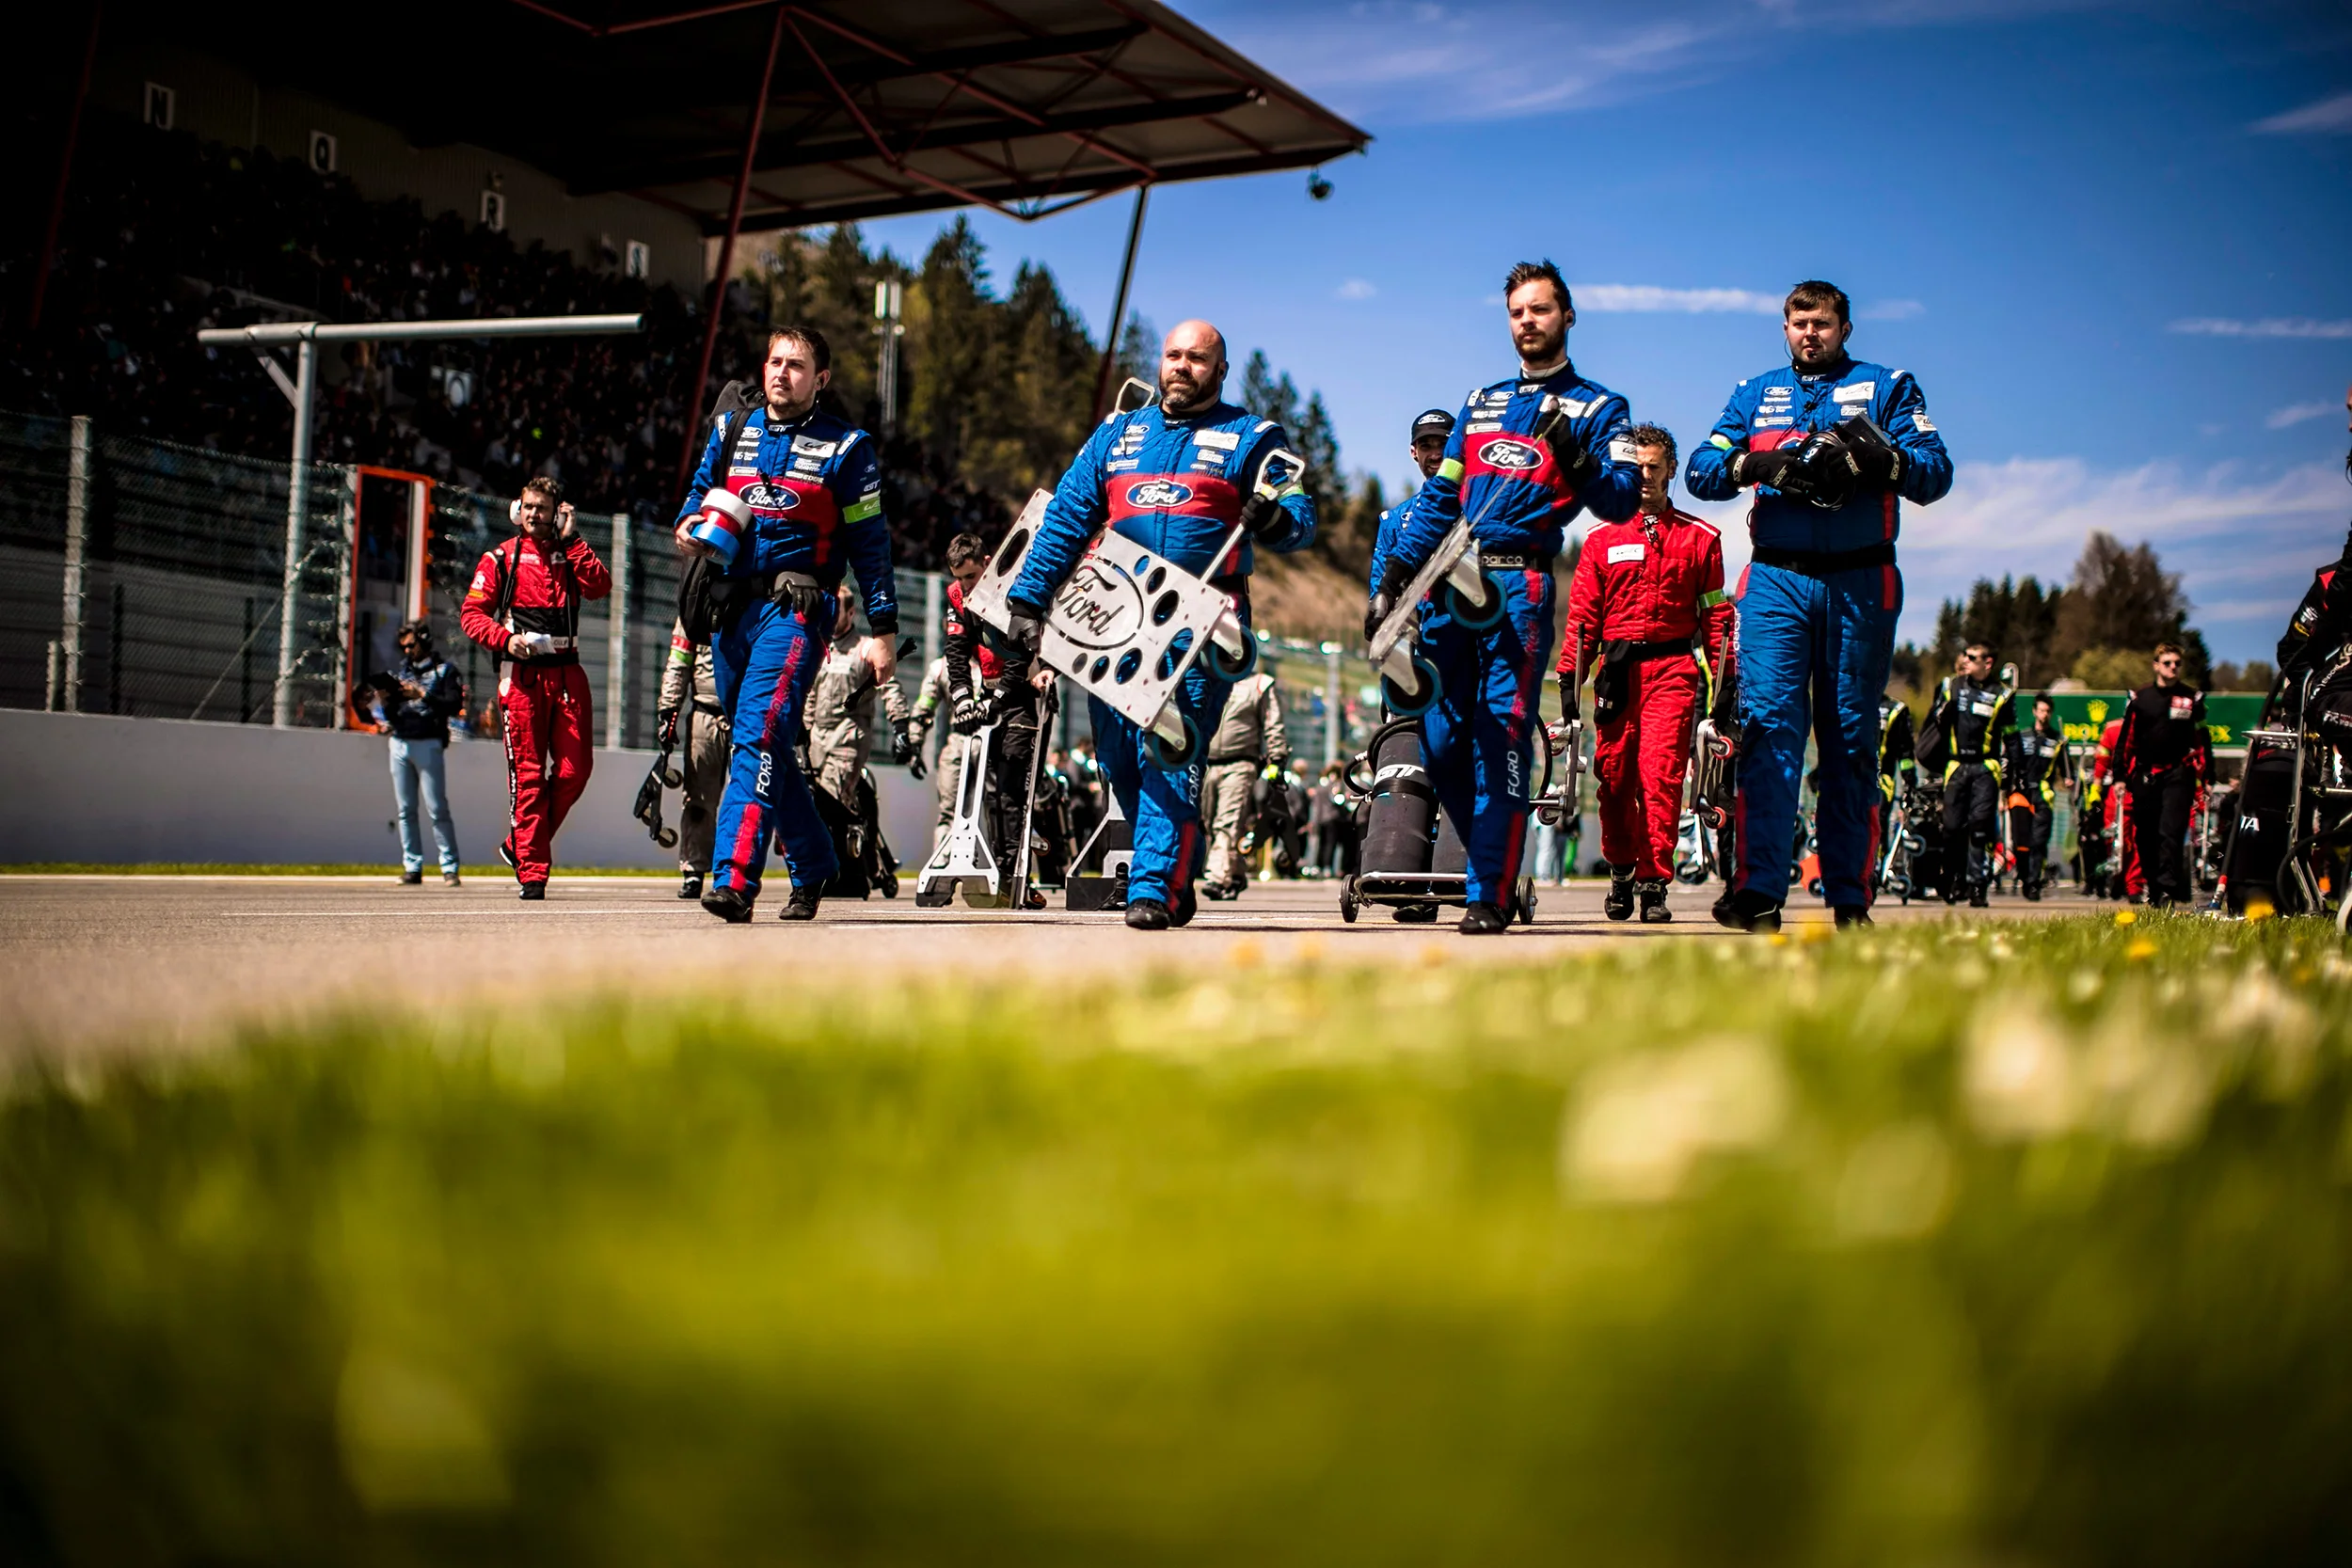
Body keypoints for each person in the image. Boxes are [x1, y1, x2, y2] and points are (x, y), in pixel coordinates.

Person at [1003, 319, 1316, 930]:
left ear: (1220, 371)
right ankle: (1178, 865)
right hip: (1115, 619)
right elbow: (1067, 517)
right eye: (1173, 354)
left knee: (1169, 745)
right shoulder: (1117, 433)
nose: (1181, 366)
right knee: (1119, 759)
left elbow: (1301, 514)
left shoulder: (1253, 435)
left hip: (1206, 620)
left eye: (1198, 358)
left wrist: (1276, 519)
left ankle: (1151, 885)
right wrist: (1027, 599)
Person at [1370, 260, 1641, 933]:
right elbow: (1441, 495)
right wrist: (1393, 580)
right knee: (1436, 739)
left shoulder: (1604, 407)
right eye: (1518, 311)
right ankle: (1488, 866)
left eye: (1541, 310)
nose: (1528, 322)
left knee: (1501, 734)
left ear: (1567, 317)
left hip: (1519, 584)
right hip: (1445, 582)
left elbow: (1622, 500)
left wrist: (1576, 455)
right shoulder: (1480, 401)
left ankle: (1487, 890)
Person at [1686, 279, 1953, 932]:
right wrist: (1759, 466)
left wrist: (1872, 456)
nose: (1811, 333)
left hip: (1861, 580)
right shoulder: (1754, 393)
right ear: (1784, 329)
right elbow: (1700, 468)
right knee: (1769, 735)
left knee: (1850, 742)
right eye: (1800, 322)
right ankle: (1757, 891)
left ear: (1845, 328)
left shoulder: (1889, 386)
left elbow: (1936, 472)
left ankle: (1850, 897)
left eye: (1824, 323)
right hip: (1777, 581)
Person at [675, 325, 898, 923]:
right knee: (765, 739)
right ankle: (815, 857)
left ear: (820, 379)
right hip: (729, 611)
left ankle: (735, 878)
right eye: (774, 361)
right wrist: (689, 526)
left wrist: (884, 632)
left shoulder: (849, 448)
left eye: (796, 365)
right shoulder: (730, 429)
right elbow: (697, 497)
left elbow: (871, 547)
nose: (781, 373)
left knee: (757, 730)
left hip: (797, 613)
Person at [1558, 422, 1730, 924]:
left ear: (1671, 469)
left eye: (1655, 467)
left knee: (1661, 778)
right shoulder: (1601, 539)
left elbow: (1716, 618)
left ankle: (1655, 883)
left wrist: (1725, 687)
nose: (1646, 477)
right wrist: (1571, 678)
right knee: (1613, 779)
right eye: (1636, 469)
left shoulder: (1702, 539)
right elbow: (1583, 617)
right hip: (1616, 672)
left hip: (1673, 670)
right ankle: (1621, 871)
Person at [460, 475, 612, 899]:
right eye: (527, 506)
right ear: (517, 508)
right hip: (521, 679)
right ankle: (532, 871)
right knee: (526, 776)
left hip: (569, 674)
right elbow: (471, 615)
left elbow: (600, 586)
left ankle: (519, 843)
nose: (532, 514)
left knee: (574, 772)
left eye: (542, 508)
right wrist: (507, 640)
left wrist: (574, 538)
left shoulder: (571, 553)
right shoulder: (500, 559)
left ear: (558, 512)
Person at [942, 530, 1048, 907]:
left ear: (986, 564)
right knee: (989, 794)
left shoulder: (1013, 586)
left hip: (1026, 692)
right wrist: (962, 700)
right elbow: (955, 652)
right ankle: (1003, 876)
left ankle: (1018, 879)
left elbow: (1020, 654)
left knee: (1010, 790)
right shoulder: (957, 595)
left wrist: (999, 698)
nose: (965, 585)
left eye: (970, 576)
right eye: (958, 577)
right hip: (989, 691)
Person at [362, 616, 464, 886]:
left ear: (425, 641)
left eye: (411, 645)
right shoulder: (401, 672)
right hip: (400, 742)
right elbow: (393, 710)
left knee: (437, 808)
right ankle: (412, 866)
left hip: (429, 742)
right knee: (406, 810)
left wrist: (422, 695)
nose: (407, 651)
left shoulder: (445, 671)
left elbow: (453, 705)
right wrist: (386, 702)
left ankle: (449, 867)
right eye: (403, 647)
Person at [2110, 641, 2211, 908]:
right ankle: (2154, 887)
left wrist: (2207, 777)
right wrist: (2119, 776)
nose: (2173, 667)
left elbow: (2203, 739)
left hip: (2179, 774)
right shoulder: (2140, 699)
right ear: (2156, 665)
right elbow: (2125, 741)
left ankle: (2167, 890)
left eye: (2177, 663)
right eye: (2167, 663)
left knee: (2171, 832)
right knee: (2145, 835)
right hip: (2145, 775)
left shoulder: (2192, 698)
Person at [1919, 643, 2013, 907]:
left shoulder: (2003, 694)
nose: (1967, 661)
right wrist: (1942, 715)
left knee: (1980, 827)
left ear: (1988, 662)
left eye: (1973, 658)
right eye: (1966, 657)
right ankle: (1951, 878)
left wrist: (2013, 775)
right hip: (1956, 766)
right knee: (1951, 828)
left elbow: (2012, 736)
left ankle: (1977, 886)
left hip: (1986, 767)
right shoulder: (1952, 686)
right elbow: (1933, 721)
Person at [656, 617, 728, 899]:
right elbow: (678, 660)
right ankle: (694, 871)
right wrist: (669, 709)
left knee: (747, 798)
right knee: (698, 798)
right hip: (704, 713)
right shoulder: (693, 608)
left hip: (747, 712)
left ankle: (735, 873)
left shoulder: (758, 596)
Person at [1201, 669, 1289, 899]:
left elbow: (1273, 721)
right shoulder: (1207, 678)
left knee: (1227, 822)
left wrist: (1277, 757)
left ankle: (1218, 878)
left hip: (1241, 763)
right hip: (1205, 762)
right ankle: (1236, 871)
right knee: (1208, 823)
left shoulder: (1260, 684)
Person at [2006, 692, 2076, 900]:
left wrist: (2068, 779)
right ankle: (2024, 876)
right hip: (2021, 793)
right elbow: (2011, 765)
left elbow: (2066, 769)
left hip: (2044, 795)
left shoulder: (2057, 741)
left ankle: (2034, 882)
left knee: (2039, 841)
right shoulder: (2023, 736)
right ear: (2035, 711)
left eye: (2048, 711)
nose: (2044, 715)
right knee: (2021, 841)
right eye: (2041, 710)